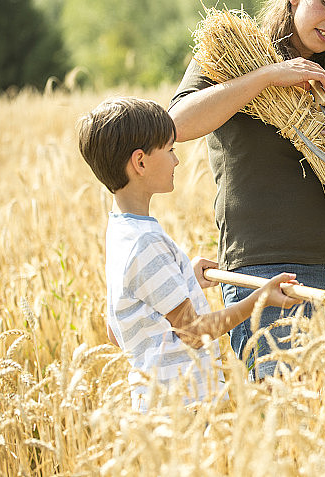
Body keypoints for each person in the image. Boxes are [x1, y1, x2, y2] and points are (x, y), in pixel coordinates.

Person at [168, 0, 325, 379]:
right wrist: (268, 77)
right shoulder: (233, 51)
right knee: (289, 418)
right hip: (269, 272)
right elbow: (175, 124)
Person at [77, 97, 302, 410]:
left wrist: (186, 280)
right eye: (169, 150)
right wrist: (260, 298)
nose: (176, 161)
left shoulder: (121, 231)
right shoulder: (146, 243)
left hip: (156, 404)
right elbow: (194, 333)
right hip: (183, 408)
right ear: (140, 162)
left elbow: (117, 331)